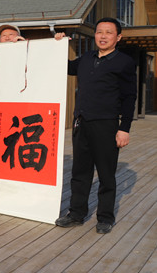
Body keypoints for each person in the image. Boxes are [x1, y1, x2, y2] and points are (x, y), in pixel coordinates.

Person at [54, 17, 137, 234]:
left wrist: (124, 128)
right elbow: (65, 66)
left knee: (106, 174)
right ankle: (76, 213)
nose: (103, 36)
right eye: (99, 32)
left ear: (118, 37)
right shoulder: (86, 58)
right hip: (81, 123)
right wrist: (58, 44)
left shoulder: (125, 62)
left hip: (106, 125)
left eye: (109, 32)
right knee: (80, 172)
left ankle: (105, 217)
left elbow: (129, 97)